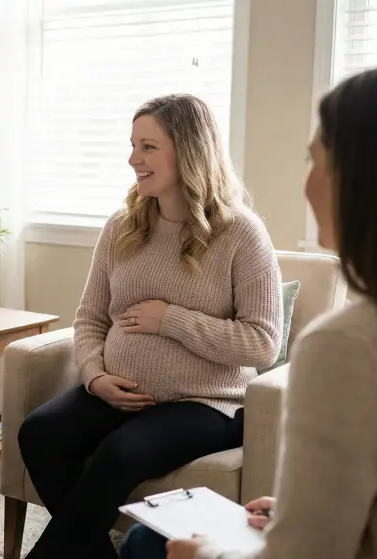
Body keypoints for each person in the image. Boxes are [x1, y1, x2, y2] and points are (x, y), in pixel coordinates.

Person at [160, 61, 377, 559]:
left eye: (314, 161)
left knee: (148, 542)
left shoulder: (349, 346)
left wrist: (202, 556)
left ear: (362, 179)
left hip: (211, 404)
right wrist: (303, 507)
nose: (306, 184)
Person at [17, 93, 283, 559]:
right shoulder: (122, 226)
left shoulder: (241, 233)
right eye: (132, 145)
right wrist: (95, 376)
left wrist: (172, 320)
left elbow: (262, 344)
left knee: (119, 454)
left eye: (147, 146)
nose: (132, 158)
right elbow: (90, 318)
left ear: (188, 149)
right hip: (117, 393)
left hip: (207, 402)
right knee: (39, 432)